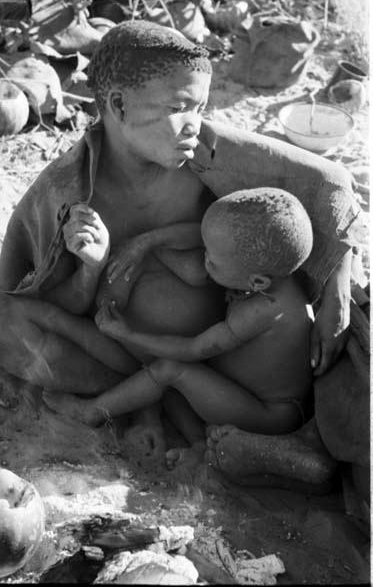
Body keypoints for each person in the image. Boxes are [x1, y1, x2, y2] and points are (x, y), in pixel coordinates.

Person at [0, 20, 359, 469]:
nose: (195, 124)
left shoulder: (208, 153)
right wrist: (91, 270)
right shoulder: (66, 191)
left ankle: (157, 406)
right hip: (126, 357)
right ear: (118, 105)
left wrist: (337, 289)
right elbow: (29, 301)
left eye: (202, 107)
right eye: (180, 107)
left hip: (228, 357)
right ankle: (144, 402)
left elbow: (330, 182)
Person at [43, 188, 315, 456]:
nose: (203, 256)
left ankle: (92, 411)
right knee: (163, 385)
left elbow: (195, 349)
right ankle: (197, 440)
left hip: (266, 413)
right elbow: (200, 234)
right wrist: (149, 242)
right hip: (236, 386)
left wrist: (127, 334)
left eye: (212, 260)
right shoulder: (265, 275)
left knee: (168, 370)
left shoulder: (261, 311)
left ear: (257, 282)